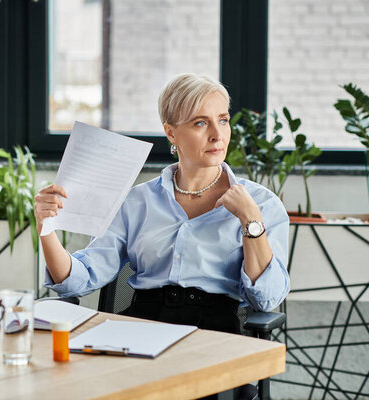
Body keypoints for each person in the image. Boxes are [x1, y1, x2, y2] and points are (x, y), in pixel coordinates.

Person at [35, 73, 290, 399]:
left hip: (212, 334)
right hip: (142, 326)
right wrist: (48, 228)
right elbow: (78, 279)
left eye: (223, 120)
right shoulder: (137, 201)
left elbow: (265, 299)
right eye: (201, 123)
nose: (217, 134)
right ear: (171, 131)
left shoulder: (262, 204)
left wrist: (251, 221)